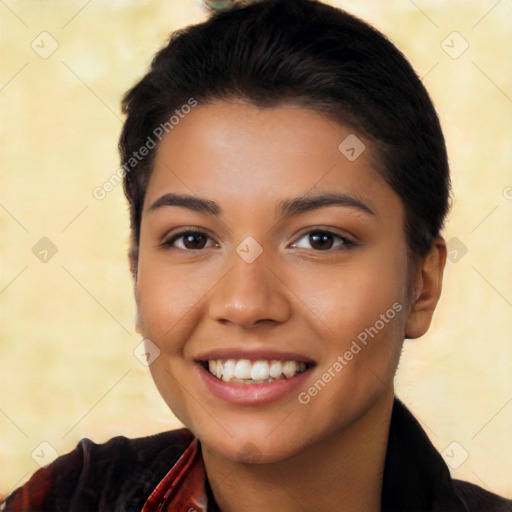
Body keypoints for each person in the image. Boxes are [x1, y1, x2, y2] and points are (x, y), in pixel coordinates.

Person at [2, 0, 511, 510]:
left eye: (320, 240)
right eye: (193, 239)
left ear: (423, 284)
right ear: (137, 272)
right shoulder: (70, 499)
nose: (245, 304)